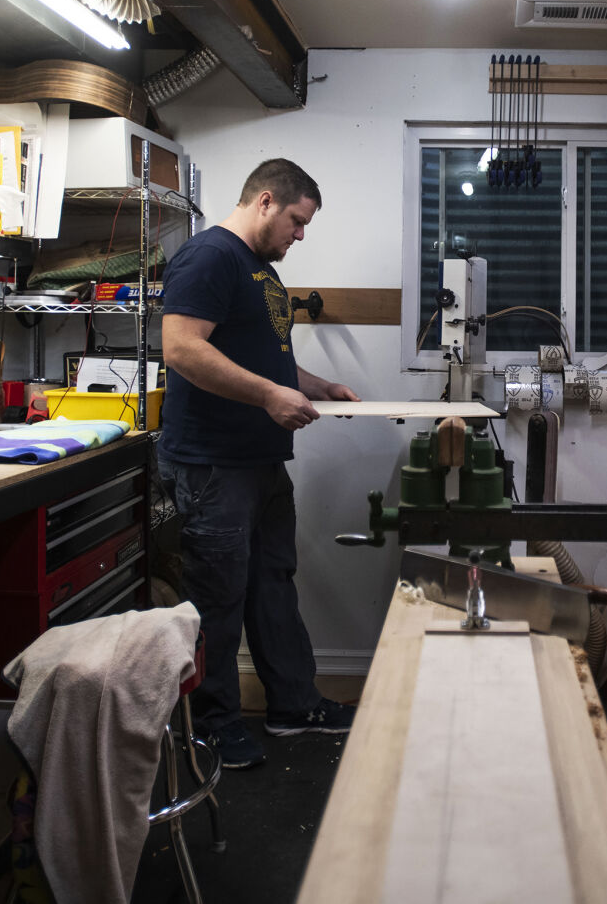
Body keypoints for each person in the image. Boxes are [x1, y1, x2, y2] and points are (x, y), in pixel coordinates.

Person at [158, 158, 360, 769]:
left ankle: (293, 704)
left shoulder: (259, 271)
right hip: (214, 465)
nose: (300, 236)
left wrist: (314, 385)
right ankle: (213, 725)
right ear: (267, 201)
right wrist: (272, 397)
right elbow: (181, 349)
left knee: (273, 585)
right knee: (216, 603)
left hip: (260, 463)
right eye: (297, 221)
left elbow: (263, 359)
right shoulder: (208, 258)